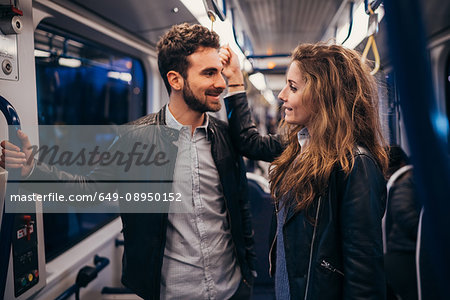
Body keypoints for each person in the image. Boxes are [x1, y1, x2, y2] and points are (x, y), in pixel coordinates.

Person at [1, 23, 256, 300]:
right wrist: (31, 170)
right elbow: (89, 192)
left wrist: (249, 273)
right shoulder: (137, 140)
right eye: (209, 73)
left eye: (220, 72)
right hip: (175, 294)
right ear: (176, 80)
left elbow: (240, 208)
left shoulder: (226, 138)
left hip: (231, 288)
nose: (220, 83)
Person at [220, 43, 388, 299]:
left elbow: (364, 275)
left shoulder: (356, 164)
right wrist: (234, 80)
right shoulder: (299, 145)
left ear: (324, 96)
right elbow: (248, 141)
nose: (282, 95)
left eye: (293, 87)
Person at [384, 145, 420, 300]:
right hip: (405, 256)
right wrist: (422, 233)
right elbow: (403, 209)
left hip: (397, 255)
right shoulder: (409, 180)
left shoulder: (400, 182)